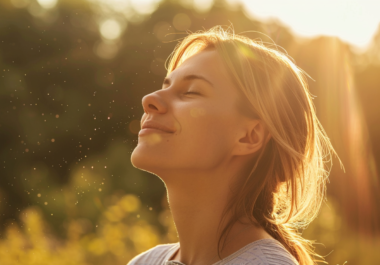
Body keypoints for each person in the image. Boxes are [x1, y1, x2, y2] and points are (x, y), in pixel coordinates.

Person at [128, 26, 337, 265]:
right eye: (166, 86)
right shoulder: (145, 262)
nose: (150, 99)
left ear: (249, 136)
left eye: (190, 92)